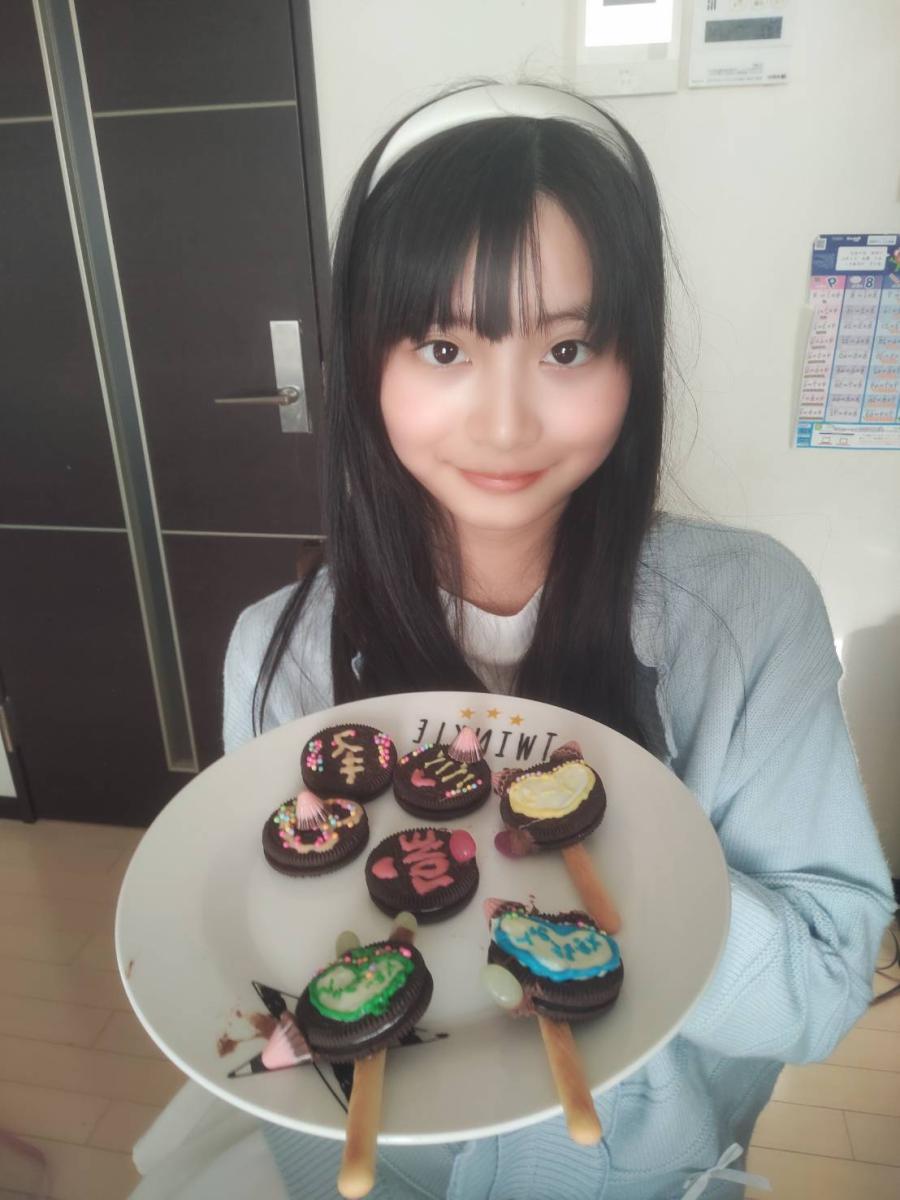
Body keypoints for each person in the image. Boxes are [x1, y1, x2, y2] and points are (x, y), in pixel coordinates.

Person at [215, 82, 895, 1200]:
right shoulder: (278, 654)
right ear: (365, 361)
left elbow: (820, 990)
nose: (504, 423)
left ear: (635, 361)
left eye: (568, 348)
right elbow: (275, 959)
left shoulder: (747, 618)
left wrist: (601, 868)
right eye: (443, 347)